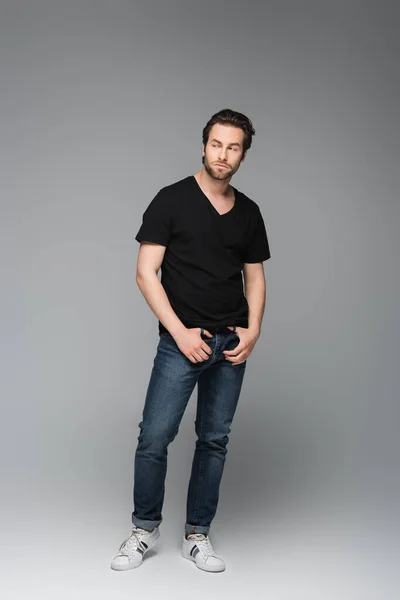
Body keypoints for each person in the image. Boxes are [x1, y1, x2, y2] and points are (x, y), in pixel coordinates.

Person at [110, 108, 271, 573]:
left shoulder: (249, 213)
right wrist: (179, 333)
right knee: (154, 437)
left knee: (214, 440)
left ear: (243, 154)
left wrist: (253, 330)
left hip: (230, 346)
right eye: (217, 144)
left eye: (234, 147)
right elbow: (145, 273)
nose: (223, 154)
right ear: (204, 146)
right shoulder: (171, 200)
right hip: (181, 341)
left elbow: (255, 278)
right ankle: (144, 528)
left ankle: (197, 534)